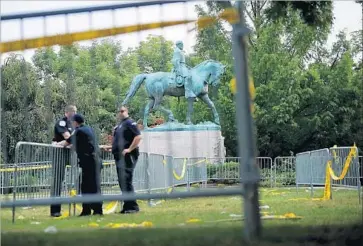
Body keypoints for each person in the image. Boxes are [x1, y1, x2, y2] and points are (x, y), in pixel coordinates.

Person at [58, 114, 103, 216]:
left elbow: (67, 142)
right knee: (86, 186)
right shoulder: (88, 129)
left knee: (92, 187)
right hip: (92, 162)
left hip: (91, 162)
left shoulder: (79, 131)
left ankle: (97, 210)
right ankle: (86, 210)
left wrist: (57, 144)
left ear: (75, 122)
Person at [102, 105, 142, 214]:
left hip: (128, 156)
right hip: (119, 156)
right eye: (119, 111)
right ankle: (127, 206)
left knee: (126, 180)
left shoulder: (130, 123)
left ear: (127, 111)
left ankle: (133, 207)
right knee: (122, 181)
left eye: (123, 111)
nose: (121, 113)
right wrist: (111, 148)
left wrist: (129, 149)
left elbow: (138, 137)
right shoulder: (120, 125)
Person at [50, 105, 77, 217]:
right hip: (60, 154)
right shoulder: (62, 123)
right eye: (74, 111)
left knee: (82, 173)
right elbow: (69, 137)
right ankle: (55, 210)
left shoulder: (74, 124)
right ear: (67, 112)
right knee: (57, 181)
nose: (75, 113)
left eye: (76, 111)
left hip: (71, 153)